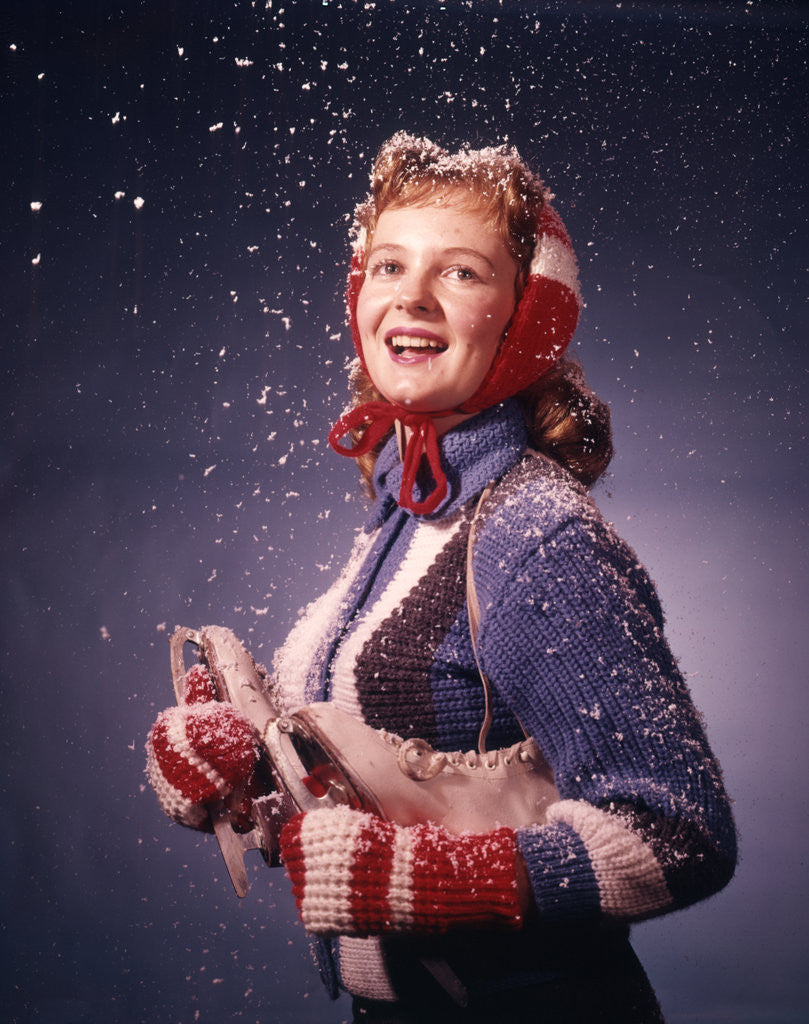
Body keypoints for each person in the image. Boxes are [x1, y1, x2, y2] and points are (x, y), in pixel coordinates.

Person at [146, 133, 737, 1023]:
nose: (410, 296)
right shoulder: (411, 513)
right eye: (388, 265)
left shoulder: (535, 533)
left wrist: (418, 879)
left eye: (460, 272)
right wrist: (250, 782)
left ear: (525, 314)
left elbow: (678, 831)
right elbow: (396, 797)